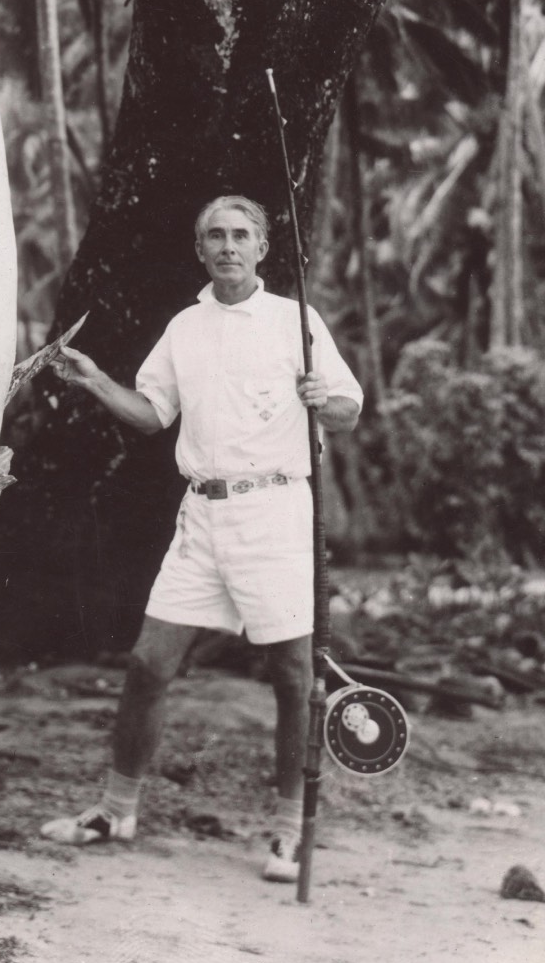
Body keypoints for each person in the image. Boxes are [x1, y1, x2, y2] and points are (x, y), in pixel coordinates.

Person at [41, 193, 362, 882]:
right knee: (149, 662)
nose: (227, 246)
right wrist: (96, 380)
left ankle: (287, 833)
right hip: (202, 515)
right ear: (199, 248)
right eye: (214, 234)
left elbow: (348, 408)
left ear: (263, 246)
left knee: (293, 674)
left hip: (276, 510)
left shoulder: (295, 319)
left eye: (241, 234)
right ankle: (115, 810)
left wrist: (319, 399)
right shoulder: (185, 326)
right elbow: (152, 413)